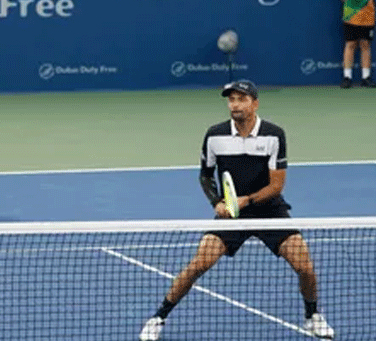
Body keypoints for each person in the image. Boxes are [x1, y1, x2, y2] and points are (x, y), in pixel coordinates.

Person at [139, 80, 334, 340]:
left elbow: (277, 185)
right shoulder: (215, 135)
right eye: (231, 100)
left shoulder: (274, 135)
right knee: (198, 264)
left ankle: (312, 316)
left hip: (269, 210)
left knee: (306, 267)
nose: (235, 105)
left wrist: (247, 201)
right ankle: (159, 317)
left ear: (255, 103)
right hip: (231, 213)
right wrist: (217, 202)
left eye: (241, 99)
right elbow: (205, 176)